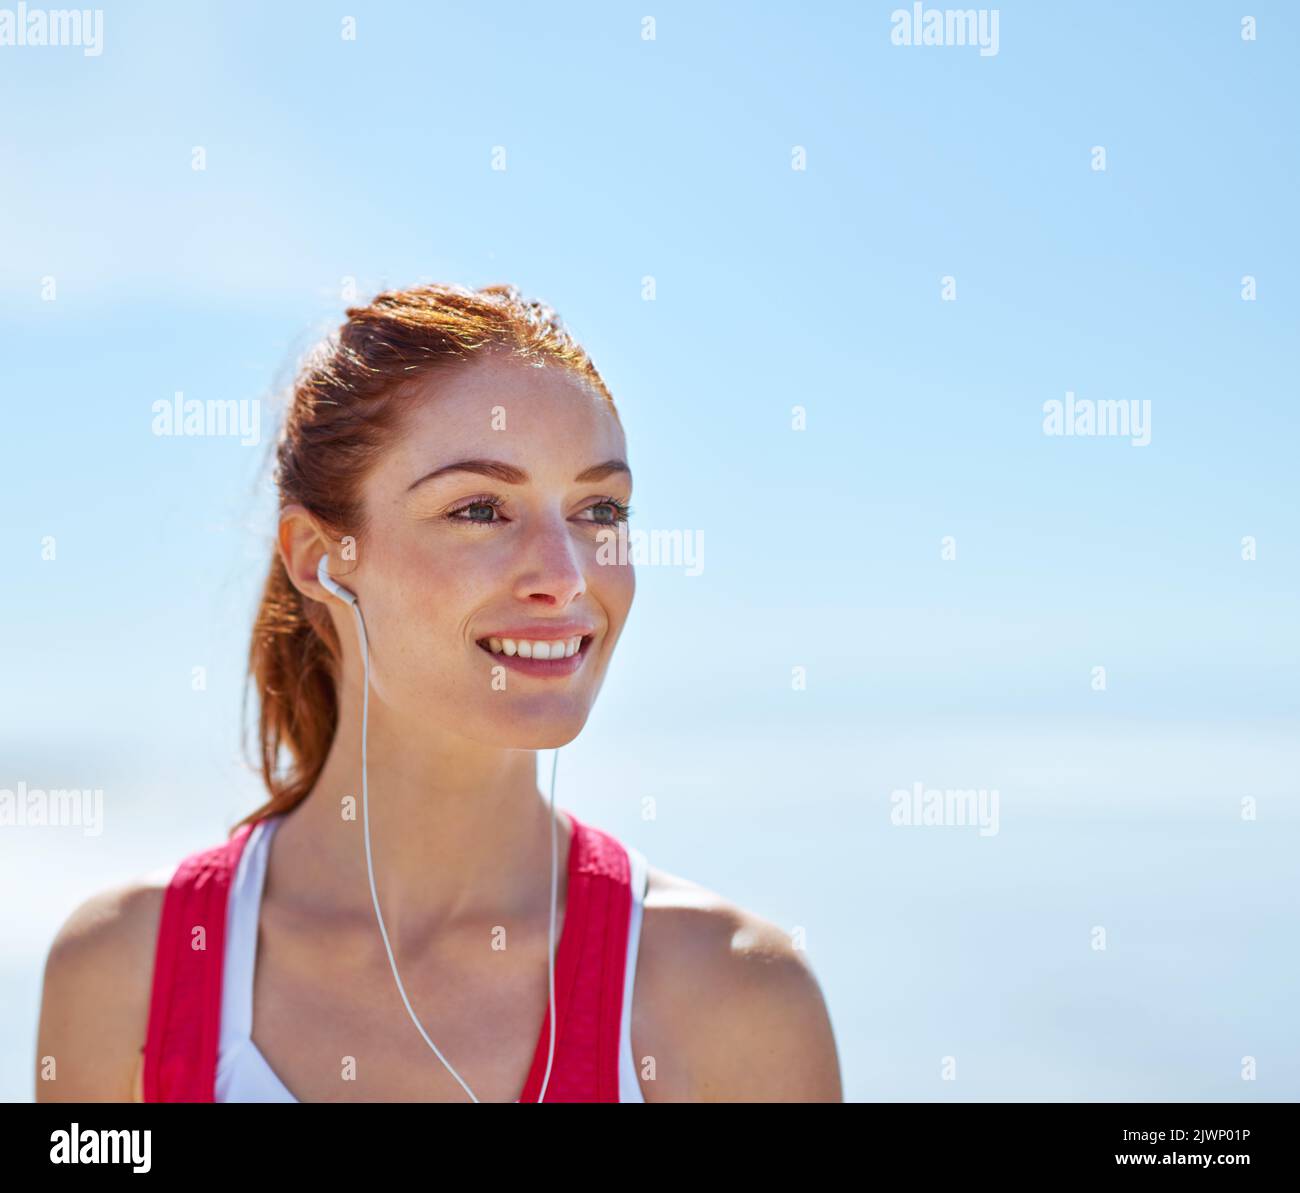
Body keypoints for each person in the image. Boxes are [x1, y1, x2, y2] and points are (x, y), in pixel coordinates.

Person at [34, 283, 842, 1102]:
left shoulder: (737, 1000)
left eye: (599, 509)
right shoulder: (122, 976)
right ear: (319, 553)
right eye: (482, 508)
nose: (566, 578)